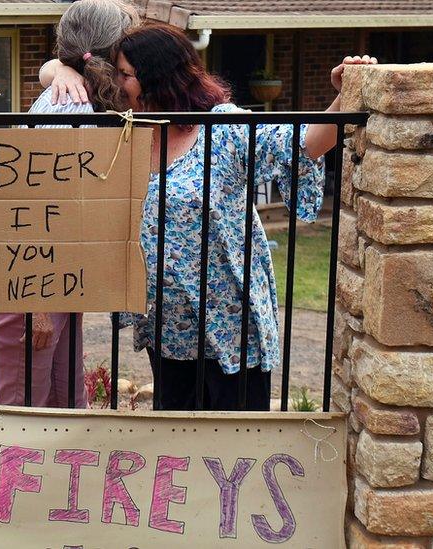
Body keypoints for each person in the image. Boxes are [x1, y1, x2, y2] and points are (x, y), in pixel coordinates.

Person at [40, 23, 377, 410]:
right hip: (167, 327)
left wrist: (343, 96)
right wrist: (63, 70)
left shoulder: (222, 127)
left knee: (236, 440)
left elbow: (308, 142)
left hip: (229, 323)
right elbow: (49, 71)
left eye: (125, 74)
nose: (116, 82)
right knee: (178, 444)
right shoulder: (127, 126)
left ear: (158, 79)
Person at [0, 0, 139, 408]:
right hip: (32, 285)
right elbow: (28, 207)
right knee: (23, 419)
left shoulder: (79, 97)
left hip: (56, 281)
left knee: (62, 411)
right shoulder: (67, 106)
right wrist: (34, 304)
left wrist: (57, 67)